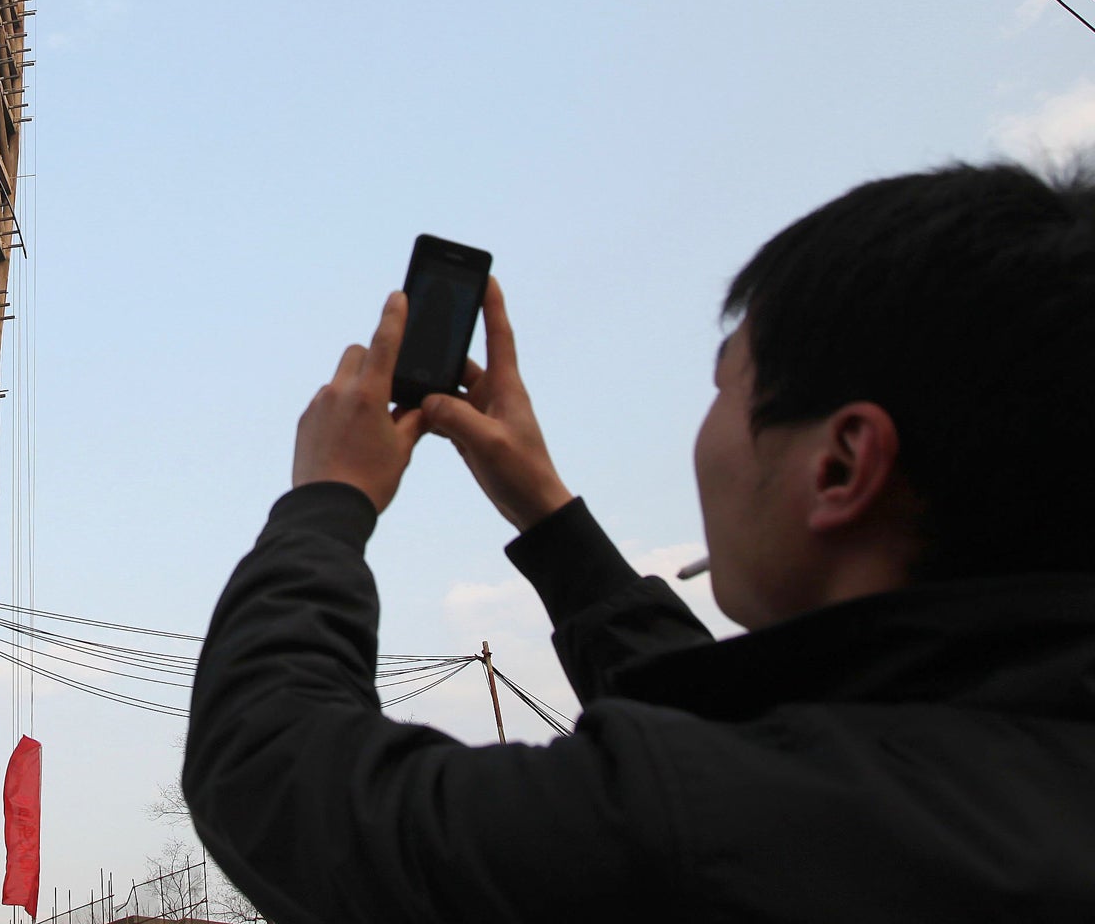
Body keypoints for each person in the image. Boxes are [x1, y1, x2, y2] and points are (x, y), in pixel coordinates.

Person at [183, 160, 1095, 921]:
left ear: (842, 463)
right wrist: (552, 522)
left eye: (725, 390)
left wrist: (329, 501)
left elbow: (275, 778)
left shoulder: (736, 832)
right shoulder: (1005, 768)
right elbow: (740, 738)